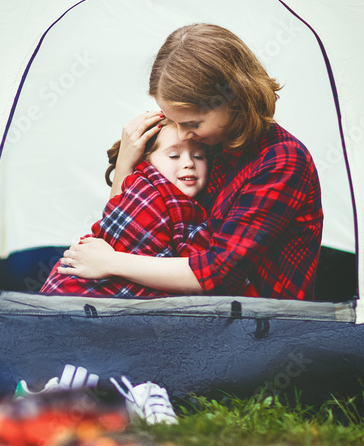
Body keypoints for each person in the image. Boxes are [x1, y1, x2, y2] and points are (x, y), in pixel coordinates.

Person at [56, 23, 323, 300]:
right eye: (177, 122)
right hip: (193, 313)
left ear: (234, 100)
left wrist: (111, 263)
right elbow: (131, 226)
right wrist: (125, 163)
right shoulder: (211, 146)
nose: (183, 134)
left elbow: (219, 273)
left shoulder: (281, 161)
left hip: (262, 326)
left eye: (193, 123)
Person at [41, 119, 210, 297]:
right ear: (147, 162)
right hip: (80, 295)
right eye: (174, 156)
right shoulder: (144, 195)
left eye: (199, 156)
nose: (189, 163)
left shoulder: (187, 203)